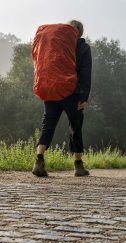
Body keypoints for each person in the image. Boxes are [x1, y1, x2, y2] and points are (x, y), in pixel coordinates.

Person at [32, 20, 92, 177]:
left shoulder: (54, 43)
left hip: (51, 89)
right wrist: (84, 96)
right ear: (79, 32)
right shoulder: (82, 47)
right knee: (75, 126)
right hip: (72, 92)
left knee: (48, 124)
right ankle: (78, 166)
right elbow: (86, 72)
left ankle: (39, 160)